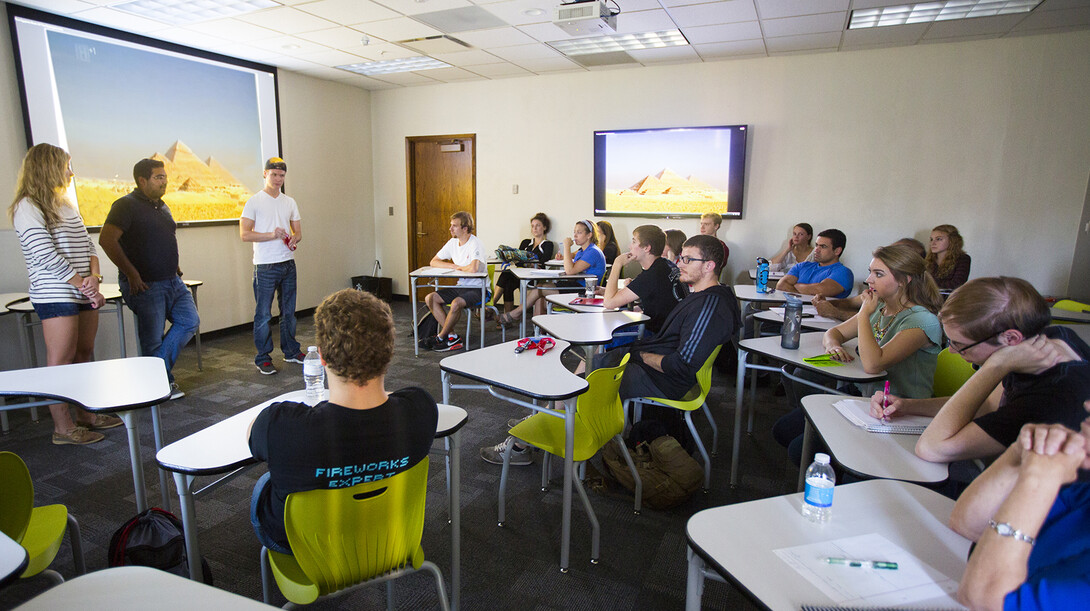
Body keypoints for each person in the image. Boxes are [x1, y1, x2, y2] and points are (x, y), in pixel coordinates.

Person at [482, 234, 737, 465]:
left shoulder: (709, 306)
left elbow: (680, 365)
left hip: (664, 378)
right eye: (680, 257)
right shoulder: (708, 295)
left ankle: (523, 443)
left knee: (577, 387)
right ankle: (544, 422)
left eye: (687, 259)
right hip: (651, 366)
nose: (679, 263)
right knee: (585, 370)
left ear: (709, 265)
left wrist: (639, 355)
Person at [248, 289, 438, 554]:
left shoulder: (281, 425)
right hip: (385, 537)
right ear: (390, 352)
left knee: (264, 485)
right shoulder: (422, 409)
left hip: (310, 549)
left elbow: (251, 436)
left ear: (322, 356)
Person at [870, 277, 1090, 464]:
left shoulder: (1051, 398)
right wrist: (908, 405)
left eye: (959, 344)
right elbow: (989, 405)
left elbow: (932, 448)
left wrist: (995, 367)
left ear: (1011, 338)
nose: (953, 352)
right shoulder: (1049, 337)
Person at [773, 244, 944, 464]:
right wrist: (833, 345)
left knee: (800, 450)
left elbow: (873, 365)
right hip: (863, 396)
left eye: (878, 274)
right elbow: (834, 332)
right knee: (783, 430)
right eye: (871, 271)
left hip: (897, 409)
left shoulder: (921, 320)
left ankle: (848, 473)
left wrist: (863, 313)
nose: (869, 280)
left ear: (905, 280)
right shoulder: (881, 307)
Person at [9, 143, 119, 445]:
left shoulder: (66, 205)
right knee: (61, 359)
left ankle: (86, 415)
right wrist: (82, 283)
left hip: (82, 289)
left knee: (84, 353)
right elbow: (44, 253)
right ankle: (63, 427)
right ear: (48, 167)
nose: (71, 172)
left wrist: (94, 278)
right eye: (66, 165)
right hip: (56, 292)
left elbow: (88, 247)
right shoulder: (27, 206)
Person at [950, 406, 1090, 610]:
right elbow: (968, 525)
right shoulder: (1083, 497)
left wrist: (1039, 477)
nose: (1087, 404)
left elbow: (981, 599)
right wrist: (1019, 454)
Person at [99, 158, 199, 399]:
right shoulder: (125, 205)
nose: (164, 182)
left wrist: (174, 265)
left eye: (165, 177)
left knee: (190, 320)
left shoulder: (162, 207)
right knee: (152, 339)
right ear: (142, 180)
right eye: (158, 177)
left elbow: (162, 239)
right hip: (145, 284)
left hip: (172, 281)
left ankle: (151, 378)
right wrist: (132, 274)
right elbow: (106, 240)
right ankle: (158, 384)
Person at [239, 157, 304, 375]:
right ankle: (263, 357)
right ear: (265, 174)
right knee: (264, 314)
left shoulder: (289, 202)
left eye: (282, 175)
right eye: (274, 174)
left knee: (289, 312)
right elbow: (244, 234)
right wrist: (271, 234)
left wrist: (295, 238)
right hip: (265, 266)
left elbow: (299, 232)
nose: (278, 179)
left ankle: (291, 351)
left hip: (287, 263)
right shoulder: (254, 201)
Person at [497, 219, 605, 327]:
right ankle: (538, 334)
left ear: (589, 235)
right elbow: (571, 266)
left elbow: (570, 271)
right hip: (575, 286)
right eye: (574, 232)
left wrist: (566, 246)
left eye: (579, 232)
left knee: (540, 289)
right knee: (539, 297)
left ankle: (517, 314)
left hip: (584, 291)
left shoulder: (593, 252)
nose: (575, 235)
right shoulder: (583, 251)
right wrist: (564, 256)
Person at [811, 237, 927, 321]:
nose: (868, 280)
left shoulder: (918, 313)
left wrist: (834, 312)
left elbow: (871, 322)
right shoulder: (884, 296)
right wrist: (826, 303)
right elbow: (853, 302)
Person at [420, 211, 488, 352]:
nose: (450, 229)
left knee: (456, 303)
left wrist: (465, 268)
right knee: (430, 298)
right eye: (451, 225)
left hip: (479, 288)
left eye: (454, 226)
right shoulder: (452, 243)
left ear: (465, 228)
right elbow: (434, 262)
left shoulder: (475, 243)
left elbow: (474, 268)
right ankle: (452, 337)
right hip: (461, 286)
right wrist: (455, 266)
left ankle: (440, 337)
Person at [602, 225, 688, 334]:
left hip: (658, 336)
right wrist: (606, 291)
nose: (629, 246)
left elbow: (609, 303)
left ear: (647, 248)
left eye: (634, 242)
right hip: (673, 330)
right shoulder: (665, 265)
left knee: (608, 330)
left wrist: (617, 264)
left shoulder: (652, 275)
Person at [493, 212, 554, 314]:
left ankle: (491, 307)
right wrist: (528, 264)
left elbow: (543, 263)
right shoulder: (525, 243)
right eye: (533, 226)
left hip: (533, 278)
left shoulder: (548, 244)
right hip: (520, 275)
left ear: (544, 227)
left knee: (506, 277)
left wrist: (525, 263)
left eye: (538, 226)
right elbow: (517, 261)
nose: (534, 229)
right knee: (506, 277)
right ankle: (499, 311)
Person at [775, 228, 854, 299]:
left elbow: (820, 290)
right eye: (816, 245)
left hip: (820, 314)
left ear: (837, 251)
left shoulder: (843, 272)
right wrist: (806, 291)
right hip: (789, 310)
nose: (816, 250)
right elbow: (781, 285)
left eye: (823, 246)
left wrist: (795, 285)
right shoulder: (802, 265)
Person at [926, 224, 971, 290]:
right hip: (927, 298)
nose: (933, 243)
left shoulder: (963, 259)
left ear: (952, 241)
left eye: (938, 239)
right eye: (931, 239)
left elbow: (956, 284)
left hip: (950, 299)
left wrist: (928, 284)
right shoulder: (927, 259)